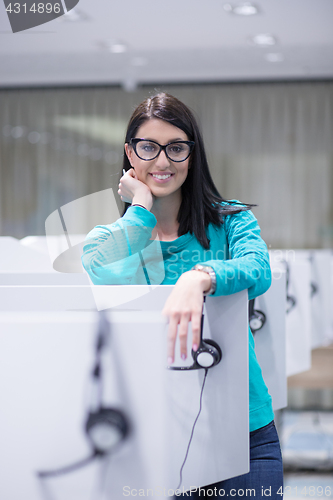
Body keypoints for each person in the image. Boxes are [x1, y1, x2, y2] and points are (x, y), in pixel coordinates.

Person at [82, 92, 283, 498]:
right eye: (148, 147)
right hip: (155, 430)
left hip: (243, 427)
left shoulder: (231, 221)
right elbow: (104, 271)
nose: (162, 161)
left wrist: (199, 277)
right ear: (129, 153)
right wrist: (140, 207)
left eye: (176, 148)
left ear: (192, 155)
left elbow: (258, 270)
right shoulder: (110, 238)